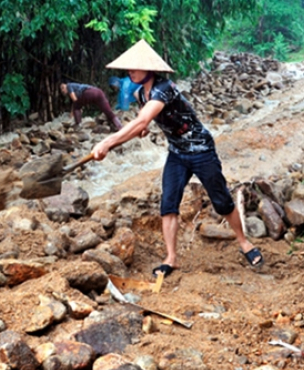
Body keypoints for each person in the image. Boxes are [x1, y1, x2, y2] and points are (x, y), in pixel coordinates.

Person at [91, 39, 264, 277]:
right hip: (177, 153)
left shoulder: (165, 88)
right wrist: (131, 135)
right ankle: (171, 258)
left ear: (149, 69)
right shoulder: (142, 93)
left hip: (201, 150)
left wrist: (107, 142)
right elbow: (144, 123)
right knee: (168, 203)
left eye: (134, 67)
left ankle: (244, 242)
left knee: (221, 200)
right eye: (128, 68)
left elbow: (141, 121)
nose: (129, 72)